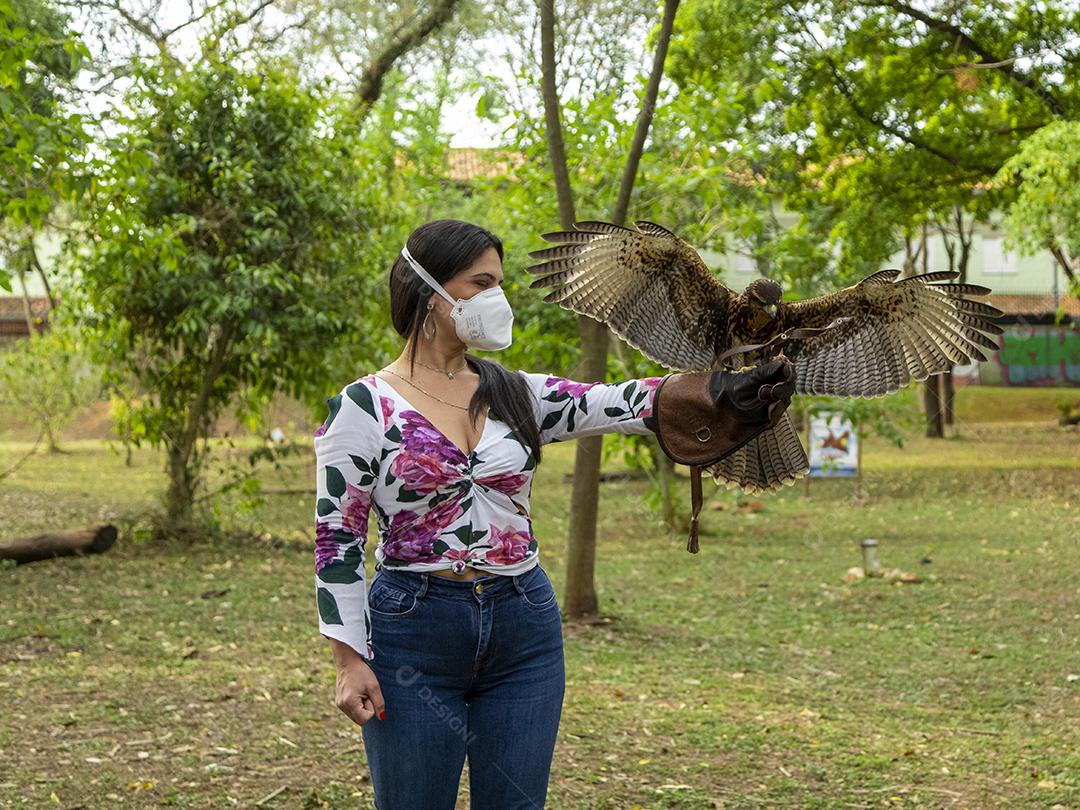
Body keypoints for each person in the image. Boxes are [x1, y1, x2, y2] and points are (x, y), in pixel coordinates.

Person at [312, 219, 793, 809]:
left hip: (525, 627)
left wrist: (721, 392)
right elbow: (337, 543)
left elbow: (618, 401)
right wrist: (348, 659)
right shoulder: (364, 408)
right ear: (428, 292)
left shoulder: (515, 393)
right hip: (413, 633)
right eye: (480, 283)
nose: (497, 299)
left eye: (500, 283)